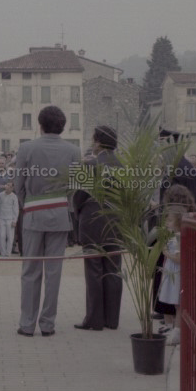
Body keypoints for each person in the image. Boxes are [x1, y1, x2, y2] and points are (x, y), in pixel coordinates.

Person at [12, 105, 81, 337]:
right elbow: (76, 186)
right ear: (62, 126)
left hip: (33, 212)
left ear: (40, 125)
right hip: (60, 214)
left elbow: (18, 184)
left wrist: (27, 203)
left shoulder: (26, 148)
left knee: (30, 270)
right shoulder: (74, 151)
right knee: (54, 272)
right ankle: (48, 324)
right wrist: (63, 202)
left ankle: (27, 323)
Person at [72, 125, 123, 331]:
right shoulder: (124, 166)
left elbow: (78, 196)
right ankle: (112, 319)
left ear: (98, 142)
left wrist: (79, 214)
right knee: (113, 269)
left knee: (93, 270)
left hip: (93, 219)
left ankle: (94, 320)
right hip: (117, 221)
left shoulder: (90, 165)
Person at [156, 210, 183, 345]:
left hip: (176, 273)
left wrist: (166, 253)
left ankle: (177, 331)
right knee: (175, 302)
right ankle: (173, 327)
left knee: (178, 302)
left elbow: (179, 258)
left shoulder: (178, 237)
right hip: (171, 271)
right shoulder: (173, 236)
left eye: (170, 220)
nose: (167, 223)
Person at [0, 181, 19, 258]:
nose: (7, 186)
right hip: (2, 218)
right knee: (2, 236)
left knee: (10, 237)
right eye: (7, 185)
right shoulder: (0, 195)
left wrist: (14, 220)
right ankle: (2, 252)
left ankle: (8, 253)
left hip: (10, 219)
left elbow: (16, 209)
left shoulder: (14, 196)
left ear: (12, 188)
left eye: (9, 186)